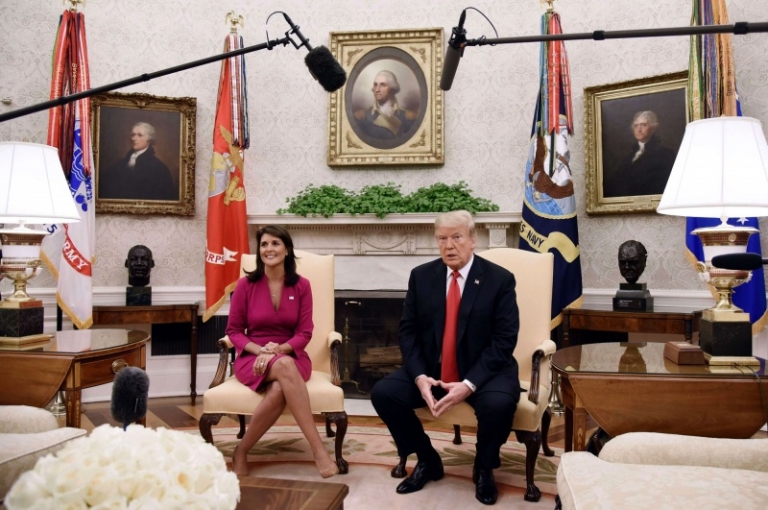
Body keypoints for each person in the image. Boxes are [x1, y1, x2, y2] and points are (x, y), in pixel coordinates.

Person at [371, 210, 520, 506]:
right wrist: (419, 377)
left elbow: (504, 341)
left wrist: (469, 384)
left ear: (473, 240)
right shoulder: (422, 276)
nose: (449, 245)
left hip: (484, 371)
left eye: (456, 237)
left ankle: (484, 467)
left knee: (499, 404)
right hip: (434, 369)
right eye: (442, 239)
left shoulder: (499, 279)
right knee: (384, 393)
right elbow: (408, 332)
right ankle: (428, 459)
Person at [226, 225, 338, 479]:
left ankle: (241, 451)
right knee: (284, 365)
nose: (269, 249)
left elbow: (305, 332)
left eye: (275, 243)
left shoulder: (302, 286)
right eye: (264, 244)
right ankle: (319, 450)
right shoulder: (245, 285)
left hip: (292, 354)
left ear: (287, 250)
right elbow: (234, 332)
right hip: (252, 357)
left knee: (279, 387)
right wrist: (261, 352)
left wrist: (278, 350)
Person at [99, 122, 178, 201]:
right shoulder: (120, 164)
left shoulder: (159, 168)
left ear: (149, 140)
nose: (134, 138)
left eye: (140, 135)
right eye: (133, 135)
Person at [605, 111, 676, 198]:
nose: (639, 129)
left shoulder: (665, 155)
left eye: (643, 125)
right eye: (636, 126)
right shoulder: (628, 158)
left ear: (653, 128)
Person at [353, 70, 417, 141]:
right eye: (375, 85)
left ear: (392, 89)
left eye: (382, 85)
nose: (377, 90)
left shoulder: (408, 118)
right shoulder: (363, 118)